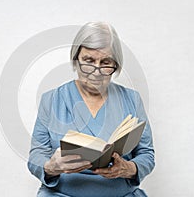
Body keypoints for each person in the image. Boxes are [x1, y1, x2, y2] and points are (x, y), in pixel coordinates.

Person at [27, 22, 155, 197]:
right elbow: (36, 155)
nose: (96, 72)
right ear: (76, 59)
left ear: (115, 65)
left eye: (105, 63)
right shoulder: (51, 100)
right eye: (88, 61)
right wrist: (51, 167)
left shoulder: (131, 99)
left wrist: (129, 168)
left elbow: (146, 154)